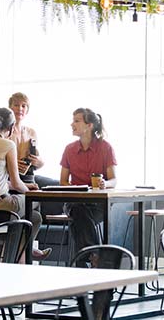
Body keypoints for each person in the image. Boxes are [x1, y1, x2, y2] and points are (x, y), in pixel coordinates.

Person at [0, 108, 49, 259]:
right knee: (35, 201)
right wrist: (30, 190)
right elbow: (17, 182)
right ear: (12, 127)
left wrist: (23, 187)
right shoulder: (7, 145)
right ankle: (21, 253)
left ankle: (22, 251)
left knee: (35, 217)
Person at [60, 108, 117, 257]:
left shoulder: (106, 148)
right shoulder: (69, 149)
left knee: (79, 218)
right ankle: (95, 256)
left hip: (97, 204)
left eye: (77, 121)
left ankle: (86, 259)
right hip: (74, 201)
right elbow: (63, 181)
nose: (72, 124)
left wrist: (105, 183)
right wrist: (75, 189)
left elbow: (114, 180)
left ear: (89, 125)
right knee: (79, 211)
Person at [7, 92, 55, 186]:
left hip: (28, 178)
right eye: (16, 105)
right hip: (9, 178)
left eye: (23, 106)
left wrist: (39, 162)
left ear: (27, 110)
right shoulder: (4, 131)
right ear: (10, 108)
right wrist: (11, 164)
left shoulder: (31, 132)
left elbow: (35, 158)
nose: (20, 108)